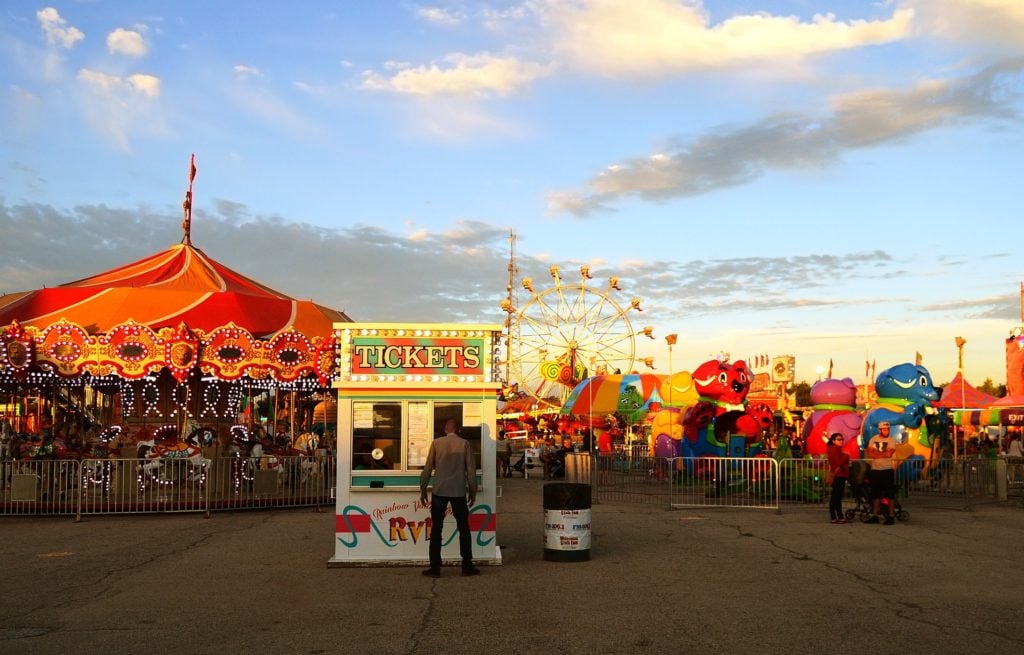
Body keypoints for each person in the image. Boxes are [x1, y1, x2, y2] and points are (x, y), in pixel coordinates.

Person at [419, 418, 480, 578]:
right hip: (458, 491)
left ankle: (435, 568)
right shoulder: (465, 444)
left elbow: (427, 468)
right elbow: (471, 471)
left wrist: (423, 488)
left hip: (439, 490)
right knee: (464, 528)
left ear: (445, 429)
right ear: (457, 429)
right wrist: (473, 491)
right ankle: (467, 565)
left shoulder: (436, 443)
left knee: (436, 529)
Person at [865, 421, 897, 525]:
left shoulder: (891, 440)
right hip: (876, 470)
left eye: (887, 429)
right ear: (880, 430)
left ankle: (891, 516)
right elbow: (870, 453)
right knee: (876, 494)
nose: (886, 431)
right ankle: (875, 516)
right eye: (884, 429)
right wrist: (883, 453)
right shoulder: (873, 439)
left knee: (890, 494)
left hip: (887, 470)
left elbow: (889, 454)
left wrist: (876, 453)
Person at [826, 433, 850, 524]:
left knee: (837, 496)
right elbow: (838, 462)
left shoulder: (835, 449)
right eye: (839, 439)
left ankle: (839, 516)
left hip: (840, 475)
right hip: (838, 475)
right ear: (833, 441)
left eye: (842, 439)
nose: (841, 441)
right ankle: (835, 516)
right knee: (836, 496)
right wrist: (846, 456)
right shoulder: (833, 449)